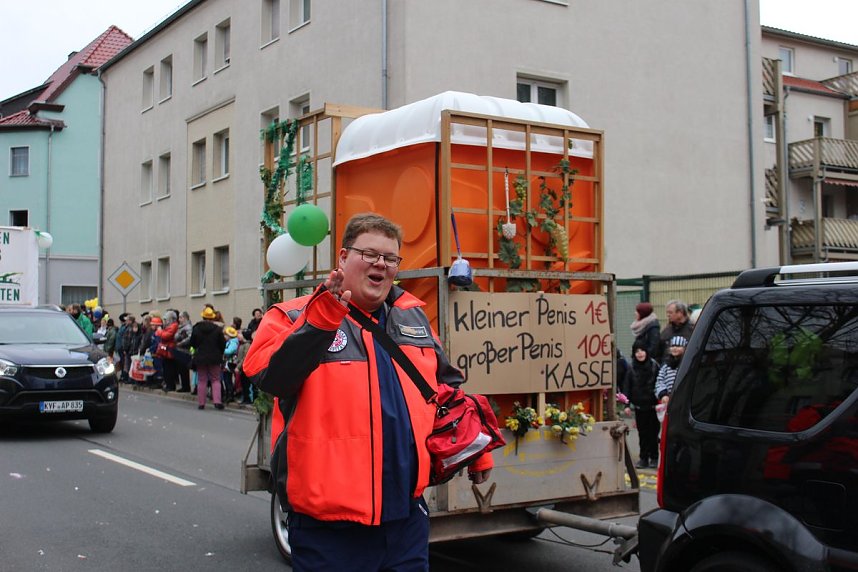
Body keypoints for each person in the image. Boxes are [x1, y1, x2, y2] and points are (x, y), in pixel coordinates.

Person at [242, 213, 492, 571]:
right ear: (343, 258)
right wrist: (322, 320)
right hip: (328, 529)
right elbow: (270, 377)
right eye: (370, 254)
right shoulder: (294, 316)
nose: (381, 264)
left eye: (390, 258)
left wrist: (475, 450)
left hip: (406, 521)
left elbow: (446, 388)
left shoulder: (412, 318)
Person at [622, 339, 661, 469]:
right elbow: (627, 386)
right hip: (639, 407)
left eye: (642, 350)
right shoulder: (631, 367)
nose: (640, 353)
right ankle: (643, 458)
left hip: (653, 406)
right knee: (642, 433)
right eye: (637, 351)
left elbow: (660, 383)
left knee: (653, 433)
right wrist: (626, 405)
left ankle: (654, 457)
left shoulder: (654, 366)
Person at [189, 307, 226, 410]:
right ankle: (217, 401)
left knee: (202, 380)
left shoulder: (196, 328)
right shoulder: (217, 329)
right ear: (212, 318)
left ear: (203, 317)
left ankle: (201, 403)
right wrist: (220, 353)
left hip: (201, 356)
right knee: (215, 379)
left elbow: (192, 343)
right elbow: (222, 343)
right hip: (215, 357)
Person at [655, 336, 687, 404]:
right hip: (670, 401)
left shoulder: (688, 364)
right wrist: (663, 394)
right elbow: (660, 381)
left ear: (685, 348)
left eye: (678, 346)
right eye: (672, 346)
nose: (675, 348)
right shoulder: (666, 366)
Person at [174, 311, 193, 392]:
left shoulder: (188, 327)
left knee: (184, 370)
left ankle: (186, 386)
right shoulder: (181, 327)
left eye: (181, 317)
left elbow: (189, 338)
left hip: (185, 350)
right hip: (180, 350)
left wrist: (181, 343)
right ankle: (184, 386)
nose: (179, 319)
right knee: (181, 370)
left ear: (185, 318)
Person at [222, 326, 240, 402]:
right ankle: (227, 394)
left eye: (225, 335)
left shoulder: (233, 342)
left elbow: (229, 351)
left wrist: (222, 350)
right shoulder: (229, 342)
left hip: (230, 363)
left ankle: (230, 395)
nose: (224, 336)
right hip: (227, 363)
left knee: (228, 379)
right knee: (225, 379)